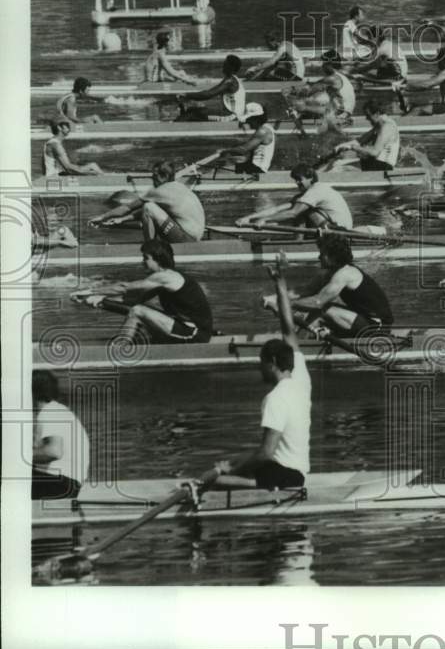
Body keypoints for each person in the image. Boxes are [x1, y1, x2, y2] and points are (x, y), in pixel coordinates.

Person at [213, 256, 310, 491]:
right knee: (231, 462)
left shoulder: (275, 398)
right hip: (296, 470)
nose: (259, 368)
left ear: (273, 363)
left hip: (286, 476)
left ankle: (206, 489)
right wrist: (280, 281)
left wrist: (232, 471)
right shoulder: (301, 378)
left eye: (261, 362)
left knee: (216, 479)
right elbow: (288, 328)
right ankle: (231, 475)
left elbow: (266, 453)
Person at [72, 238, 214, 344]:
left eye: (145, 258)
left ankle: (119, 350)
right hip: (186, 328)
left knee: (138, 311)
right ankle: (128, 346)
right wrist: (100, 301)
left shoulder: (166, 277)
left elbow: (124, 287)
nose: (142, 262)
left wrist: (90, 291)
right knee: (139, 309)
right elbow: (132, 300)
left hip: (196, 334)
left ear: (158, 259)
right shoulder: (160, 280)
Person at [275, 233, 394, 338]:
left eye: (322, 254)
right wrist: (277, 297)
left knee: (321, 310)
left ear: (333, 256)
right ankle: (296, 341)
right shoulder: (331, 272)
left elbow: (317, 302)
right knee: (305, 312)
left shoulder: (345, 274)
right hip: (362, 320)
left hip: (377, 327)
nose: (319, 257)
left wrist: (285, 304)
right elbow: (305, 290)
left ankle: (296, 348)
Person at [88, 159, 206, 242]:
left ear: (163, 177)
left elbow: (126, 208)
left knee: (149, 207)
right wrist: (122, 220)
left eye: (154, 177)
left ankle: (150, 248)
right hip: (196, 235)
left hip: (187, 238)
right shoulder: (180, 186)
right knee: (151, 207)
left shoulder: (159, 191)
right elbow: (144, 213)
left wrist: (102, 217)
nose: (152, 180)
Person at [235, 162, 354, 230]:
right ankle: (299, 240)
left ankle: (298, 244)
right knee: (295, 210)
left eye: (299, 179)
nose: (297, 183)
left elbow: (292, 213)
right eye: (295, 180)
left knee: (299, 212)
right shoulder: (310, 192)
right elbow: (277, 208)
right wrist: (249, 218)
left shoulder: (316, 191)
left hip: (340, 231)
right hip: (332, 227)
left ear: (310, 178)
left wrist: (265, 220)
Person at [32, 370, 90, 500]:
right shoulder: (57, 410)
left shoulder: (49, 413)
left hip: (61, 484)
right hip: (68, 483)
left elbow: (54, 452)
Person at [322, 101, 400, 172]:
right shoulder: (380, 125)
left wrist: (354, 147)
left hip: (383, 168)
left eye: (368, 115)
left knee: (338, 168)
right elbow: (360, 140)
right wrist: (340, 146)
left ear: (377, 113)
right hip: (375, 164)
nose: (366, 118)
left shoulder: (387, 127)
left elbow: (374, 152)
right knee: (337, 163)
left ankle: (319, 182)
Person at [286, 55, 356, 126]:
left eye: (324, 64)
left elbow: (310, 89)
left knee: (303, 103)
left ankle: (300, 117)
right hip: (346, 111)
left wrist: (295, 92)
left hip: (340, 112)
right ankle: (303, 117)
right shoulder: (339, 76)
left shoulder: (332, 78)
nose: (323, 67)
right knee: (315, 100)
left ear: (330, 65)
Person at [176, 54, 246, 123]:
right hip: (229, 113)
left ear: (232, 67)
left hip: (231, 116)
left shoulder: (230, 81)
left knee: (193, 114)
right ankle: (180, 123)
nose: (223, 66)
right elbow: (210, 92)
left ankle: (174, 126)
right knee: (191, 110)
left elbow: (208, 94)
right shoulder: (231, 79)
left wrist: (187, 95)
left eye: (225, 64)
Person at [404, 47, 445, 116]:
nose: (435, 63)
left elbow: (426, 85)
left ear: (441, 60)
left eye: (436, 60)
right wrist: (410, 87)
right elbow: (426, 84)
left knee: (417, 110)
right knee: (415, 106)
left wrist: (406, 86)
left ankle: (400, 125)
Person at [218, 103, 276, 175]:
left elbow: (243, 149)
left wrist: (225, 151)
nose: (248, 122)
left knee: (220, 169)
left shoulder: (262, 131)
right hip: (254, 165)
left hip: (257, 168)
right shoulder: (267, 127)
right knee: (228, 161)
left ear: (256, 118)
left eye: (249, 120)